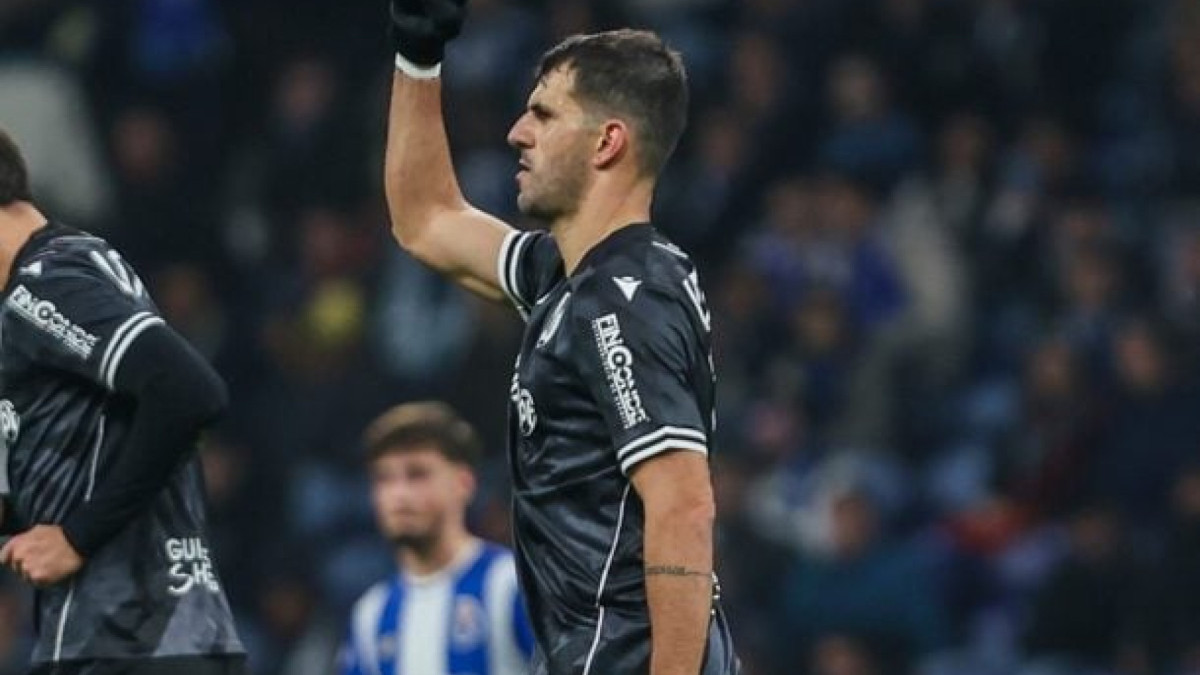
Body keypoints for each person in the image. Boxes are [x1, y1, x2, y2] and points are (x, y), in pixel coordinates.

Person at [381, 2, 740, 673]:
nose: (517, 133)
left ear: (607, 143)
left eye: (544, 115)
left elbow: (684, 505)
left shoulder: (627, 297)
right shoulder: (571, 278)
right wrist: (418, 57)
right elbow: (424, 219)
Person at [0, 128, 244, 675]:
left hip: (130, 634)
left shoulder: (45, 286)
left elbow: (189, 391)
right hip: (145, 632)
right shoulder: (63, 271)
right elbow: (80, 452)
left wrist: (76, 537)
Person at [341, 401, 533, 675]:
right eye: (385, 478)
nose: (399, 494)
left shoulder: (510, 584)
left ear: (463, 483)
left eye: (417, 474)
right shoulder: (370, 614)